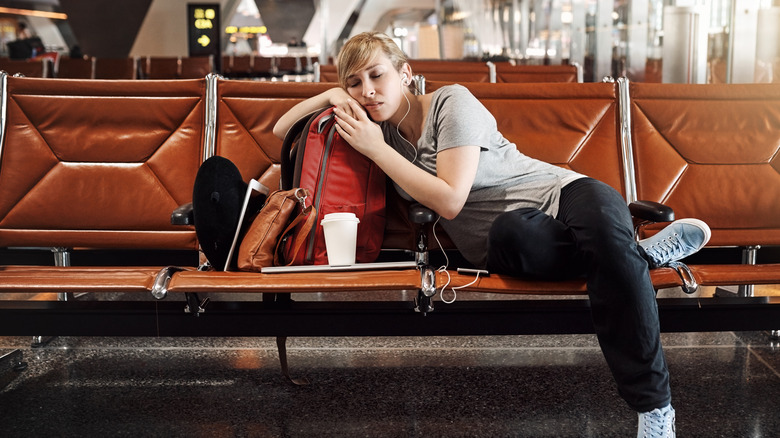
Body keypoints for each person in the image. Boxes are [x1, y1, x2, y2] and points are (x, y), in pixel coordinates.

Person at [273, 31, 711, 437]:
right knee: (533, 237)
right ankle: (638, 256)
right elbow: (281, 130)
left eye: (377, 74)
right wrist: (331, 94)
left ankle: (654, 410)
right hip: (506, 241)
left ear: (405, 73)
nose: (367, 90)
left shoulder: (451, 103)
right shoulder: (374, 130)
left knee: (605, 243)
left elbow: (449, 199)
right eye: (354, 83)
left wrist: (375, 147)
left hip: (564, 193)